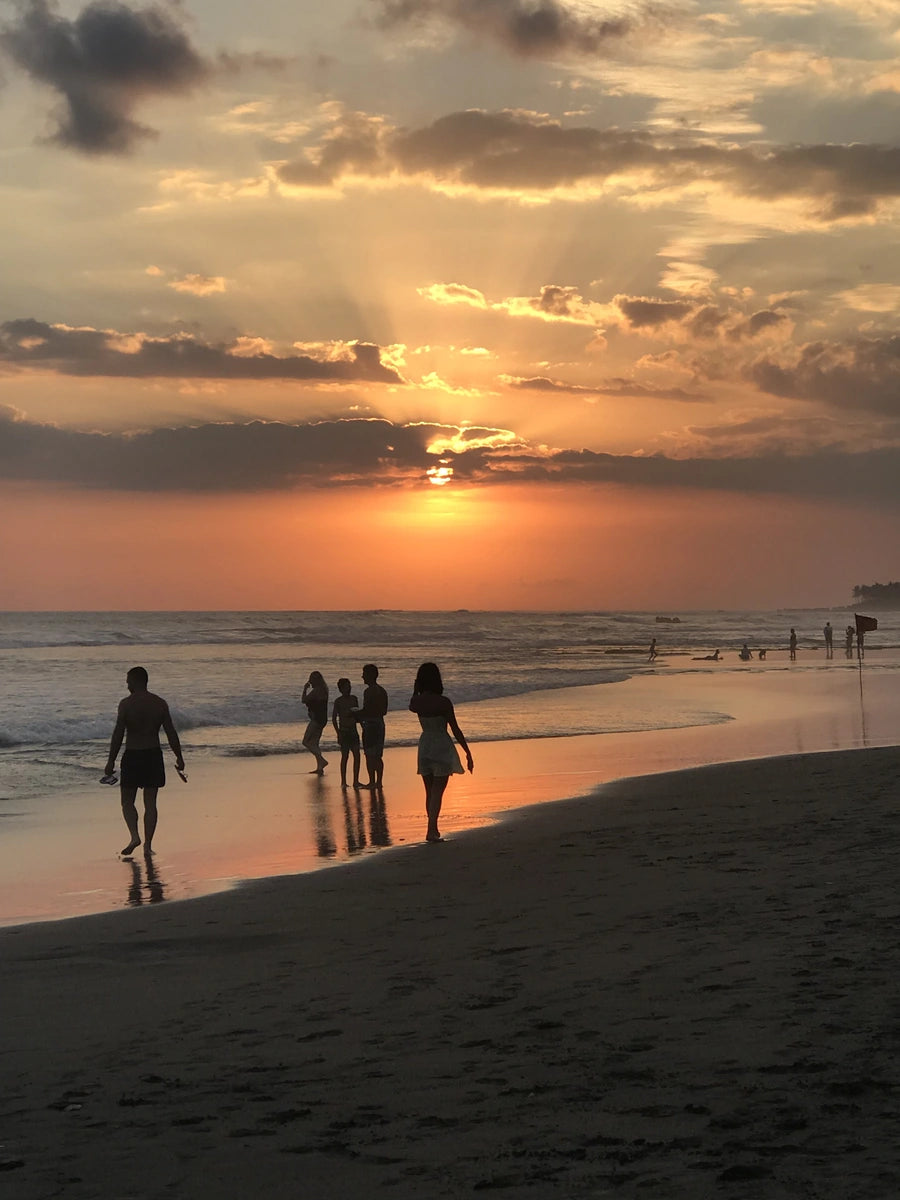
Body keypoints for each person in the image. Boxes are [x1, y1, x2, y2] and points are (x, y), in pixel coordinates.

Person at [104, 666, 184, 857]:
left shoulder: (126, 704)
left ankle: (134, 836)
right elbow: (171, 732)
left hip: (132, 755)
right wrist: (179, 757)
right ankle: (148, 846)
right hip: (152, 755)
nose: (127, 685)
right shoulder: (159, 703)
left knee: (127, 801)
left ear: (136, 681)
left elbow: (118, 734)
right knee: (150, 803)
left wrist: (110, 761)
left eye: (128, 681)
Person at [409, 662, 473, 843]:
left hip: (425, 744)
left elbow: (411, 705)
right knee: (438, 791)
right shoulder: (443, 702)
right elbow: (455, 729)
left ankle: (433, 828)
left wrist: (415, 690)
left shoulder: (417, 702)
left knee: (429, 791)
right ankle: (431, 830)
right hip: (441, 744)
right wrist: (467, 751)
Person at [355, 663, 388, 788]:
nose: (362, 676)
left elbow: (367, 709)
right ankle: (378, 782)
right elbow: (384, 711)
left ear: (370, 675)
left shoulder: (369, 691)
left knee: (369, 754)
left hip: (370, 725)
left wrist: (355, 714)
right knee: (378, 755)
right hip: (380, 723)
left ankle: (372, 782)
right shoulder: (382, 690)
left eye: (364, 674)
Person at [331, 677, 361, 789]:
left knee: (357, 756)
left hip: (353, 730)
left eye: (349, 686)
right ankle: (343, 781)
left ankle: (356, 781)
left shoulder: (354, 699)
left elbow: (358, 715)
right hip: (344, 731)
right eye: (346, 687)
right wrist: (338, 733)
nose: (348, 688)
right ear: (341, 689)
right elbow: (334, 718)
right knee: (345, 757)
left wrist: (362, 726)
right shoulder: (338, 701)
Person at [301, 670, 329, 774]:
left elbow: (304, 700)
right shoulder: (324, 690)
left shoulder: (317, 690)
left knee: (306, 741)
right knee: (315, 743)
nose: (310, 682)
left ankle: (321, 760)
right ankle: (320, 767)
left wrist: (304, 689)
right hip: (323, 719)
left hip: (316, 719)